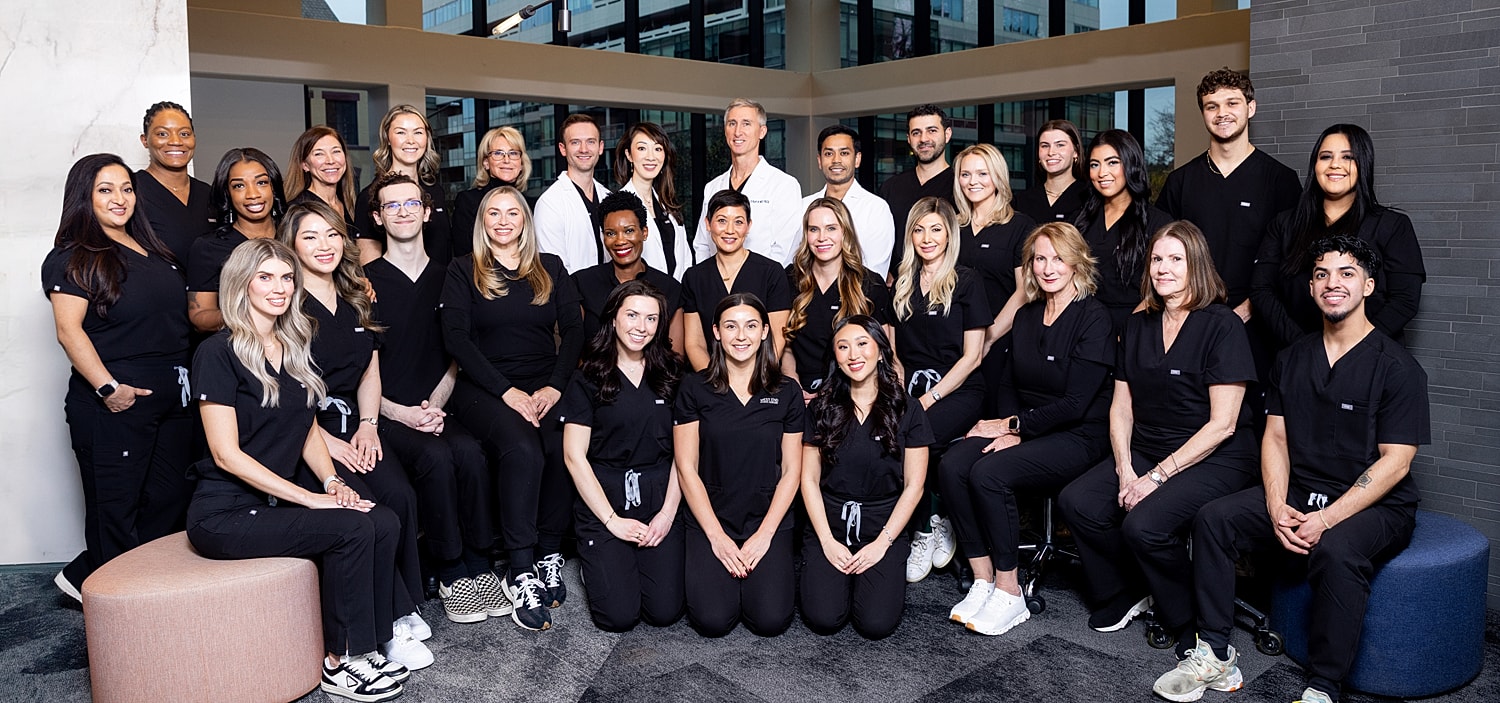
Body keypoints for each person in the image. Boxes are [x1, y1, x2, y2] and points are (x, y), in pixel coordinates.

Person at [1152, 235, 1430, 703]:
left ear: (1368, 285)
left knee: (1338, 550)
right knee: (1214, 519)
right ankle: (1215, 654)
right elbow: (1275, 438)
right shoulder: (1292, 358)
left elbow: (1397, 462)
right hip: (1300, 490)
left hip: (1378, 505)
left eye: (1346, 274)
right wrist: (1277, 503)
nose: (1332, 283)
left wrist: (1326, 519)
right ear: (1310, 287)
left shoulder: (1398, 367)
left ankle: (1323, 686)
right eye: (1321, 274)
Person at [184, 238, 408, 703]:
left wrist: (332, 481)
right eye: (265, 277)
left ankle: (371, 644)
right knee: (350, 529)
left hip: (271, 504)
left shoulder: (292, 346)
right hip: (223, 514)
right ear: (241, 283)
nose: (279, 287)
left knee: (383, 519)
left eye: (286, 277)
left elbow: (305, 428)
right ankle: (341, 662)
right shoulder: (217, 352)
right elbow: (225, 454)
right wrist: (309, 497)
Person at [1058, 221, 1257, 654]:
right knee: (1079, 502)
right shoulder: (1138, 324)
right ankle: (1128, 589)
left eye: (1176, 259)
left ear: (1196, 265)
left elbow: (1223, 424)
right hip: (1149, 446)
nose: (1163, 268)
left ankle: (1186, 616)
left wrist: (1155, 478)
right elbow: (1121, 406)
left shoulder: (1221, 325)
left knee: (1144, 525)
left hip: (1216, 454)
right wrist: (1126, 466)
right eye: (1157, 259)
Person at [278, 201, 433, 669]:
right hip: (308, 435)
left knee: (401, 495)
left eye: (330, 235)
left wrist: (368, 426)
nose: (323, 246)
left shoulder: (355, 293)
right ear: (290, 245)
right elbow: (287, 395)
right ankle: (389, 625)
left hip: (356, 424)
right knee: (372, 512)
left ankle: (405, 610)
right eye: (309, 237)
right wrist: (330, 442)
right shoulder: (285, 304)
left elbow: (370, 369)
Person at [939, 223, 1114, 636]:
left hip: (1078, 435)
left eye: (1057, 258)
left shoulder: (1094, 317)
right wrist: (1009, 426)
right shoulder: (1028, 314)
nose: (1048, 267)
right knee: (952, 463)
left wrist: (1015, 427)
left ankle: (1009, 590)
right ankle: (983, 579)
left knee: (989, 473)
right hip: (1026, 427)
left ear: (1076, 262)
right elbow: (1009, 384)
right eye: (1039, 258)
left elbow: (1076, 404)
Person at [42, 153, 193, 600]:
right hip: (115, 401)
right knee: (117, 508)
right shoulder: (74, 256)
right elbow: (69, 331)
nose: (119, 198)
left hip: (173, 397)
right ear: (84, 197)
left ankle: (87, 575)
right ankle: (123, 608)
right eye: (105, 189)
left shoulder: (152, 249)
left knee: (169, 499)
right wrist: (108, 388)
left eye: (126, 188)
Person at [441, 185, 584, 631]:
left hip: (545, 382)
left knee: (563, 443)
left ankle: (548, 552)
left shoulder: (551, 268)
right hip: (485, 386)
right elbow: (456, 340)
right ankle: (520, 568)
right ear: (483, 221)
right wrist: (507, 392)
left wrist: (555, 387)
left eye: (513, 213)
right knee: (523, 448)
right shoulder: (463, 270)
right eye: (494, 214)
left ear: (526, 220)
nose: (504, 221)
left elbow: (575, 331)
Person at [362, 172, 499, 626]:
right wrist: (401, 413)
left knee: (470, 452)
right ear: (379, 217)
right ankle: (451, 570)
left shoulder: (451, 276)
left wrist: (434, 407)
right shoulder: (366, 284)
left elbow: (458, 351)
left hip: (440, 404)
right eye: (392, 206)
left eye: (411, 204)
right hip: (386, 411)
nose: (403, 212)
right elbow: (365, 363)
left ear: (426, 211)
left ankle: (481, 562)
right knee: (436, 458)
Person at [674, 293, 805, 637]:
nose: (741, 336)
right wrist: (716, 537)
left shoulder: (787, 391)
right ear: (716, 332)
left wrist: (765, 536)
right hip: (711, 517)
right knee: (713, 621)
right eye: (731, 326)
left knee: (770, 621)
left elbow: (792, 471)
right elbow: (686, 468)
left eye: (750, 326)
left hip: (766, 518)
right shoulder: (693, 388)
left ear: (765, 331)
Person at [561, 280, 687, 631]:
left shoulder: (672, 375)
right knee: (618, 617)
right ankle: (597, 564)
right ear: (614, 318)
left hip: (661, 495)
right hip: (607, 498)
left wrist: (666, 515)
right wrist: (612, 520)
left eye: (650, 319)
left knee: (664, 613)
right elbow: (574, 456)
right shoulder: (588, 376)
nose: (641, 327)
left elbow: (684, 456)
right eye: (632, 315)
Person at [800, 315, 931, 639]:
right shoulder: (821, 408)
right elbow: (808, 481)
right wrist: (827, 542)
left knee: (875, 624)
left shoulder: (908, 409)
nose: (853, 355)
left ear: (881, 351)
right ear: (835, 357)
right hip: (829, 522)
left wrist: (881, 544)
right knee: (823, 618)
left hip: (883, 525)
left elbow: (915, 486)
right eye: (843, 347)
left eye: (862, 344)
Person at [889, 196, 990, 584]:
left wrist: (929, 399)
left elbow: (972, 357)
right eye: (919, 229)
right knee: (892, 436)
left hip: (958, 388)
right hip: (911, 387)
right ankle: (928, 522)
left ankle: (932, 524)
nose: (927, 238)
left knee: (921, 437)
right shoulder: (901, 281)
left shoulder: (967, 281)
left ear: (949, 234)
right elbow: (894, 351)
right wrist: (901, 391)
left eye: (936, 229)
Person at [1252, 123, 1425, 350]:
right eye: (1325, 157)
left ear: (1363, 164)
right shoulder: (1284, 224)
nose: (1335, 165)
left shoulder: (1393, 226)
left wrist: (1351, 348)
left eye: (1348, 157)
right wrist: (1303, 346)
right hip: (1295, 354)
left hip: (1370, 357)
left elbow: (1405, 301)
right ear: (1315, 165)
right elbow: (1261, 290)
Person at [1156, 68, 1300, 325]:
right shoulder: (1180, 182)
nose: (1222, 113)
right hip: (1191, 317)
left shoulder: (1281, 180)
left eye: (1232, 103)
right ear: (1203, 114)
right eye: (1212, 106)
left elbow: (1290, 259)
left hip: (1258, 322)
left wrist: (1249, 309)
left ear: (1251, 108)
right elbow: (1163, 254)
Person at [952, 143, 1037, 416]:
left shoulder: (1020, 226)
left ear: (998, 177)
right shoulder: (952, 226)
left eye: (982, 174)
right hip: (954, 339)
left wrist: (987, 338)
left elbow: (1024, 292)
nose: (972, 181)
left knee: (989, 413)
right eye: (965, 174)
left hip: (1000, 340)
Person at [783, 197, 893, 398]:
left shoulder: (870, 284)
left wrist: (834, 392)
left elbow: (882, 352)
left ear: (845, 232)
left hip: (851, 390)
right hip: (801, 391)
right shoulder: (790, 279)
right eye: (814, 229)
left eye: (831, 228)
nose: (822, 237)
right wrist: (794, 386)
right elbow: (785, 346)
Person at [681, 189, 792, 371]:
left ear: (748, 226)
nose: (730, 230)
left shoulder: (771, 272)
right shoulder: (694, 277)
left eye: (738, 222)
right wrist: (715, 383)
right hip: (711, 381)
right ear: (708, 224)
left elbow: (777, 339)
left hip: (760, 379)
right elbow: (695, 343)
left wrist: (750, 381)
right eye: (722, 221)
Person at [1075, 129, 1173, 331]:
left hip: (1138, 328)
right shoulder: (1078, 221)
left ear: (1131, 164)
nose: (1102, 173)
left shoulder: (1158, 223)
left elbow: (1163, 289)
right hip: (1084, 328)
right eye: (1095, 165)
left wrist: (1129, 331)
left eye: (1112, 162)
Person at [572, 190, 685, 355]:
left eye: (629, 231)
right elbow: (574, 351)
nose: (620, 241)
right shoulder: (582, 283)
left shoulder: (669, 288)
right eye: (611, 233)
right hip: (594, 378)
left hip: (653, 379)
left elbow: (676, 357)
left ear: (644, 232)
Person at [693, 98, 803, 266]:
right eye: (732, 124)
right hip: (716, 285)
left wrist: (754, 281)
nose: (738, 132)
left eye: (746, 124)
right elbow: (702, 245)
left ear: (762, 131)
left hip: (762, 286)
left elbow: (786, 249)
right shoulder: (713, 187)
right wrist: (709, 280)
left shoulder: (784, 185)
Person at [188, 147, 286, 333]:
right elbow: (199, 317)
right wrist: (248, 314)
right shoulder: (209, 247)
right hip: (241, 350)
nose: (253, 194)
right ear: (227, 193)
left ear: (273, 186)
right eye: (239, 186)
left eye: (262, 183)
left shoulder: (295, 236)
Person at [354, 104, 452, 266]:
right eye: (401, 132)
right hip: (397, 288)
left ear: (426, 139)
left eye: (418, 132)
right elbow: (369, 267)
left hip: (443, 287)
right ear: (387, 139)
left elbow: (444, 247)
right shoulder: (371, 195)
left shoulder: (436, 191)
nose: (411, 141)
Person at [800, 125, 895, 276]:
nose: (836, 160)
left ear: (857, 159)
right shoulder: (803, 206)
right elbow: (797, 260)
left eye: (844, 153)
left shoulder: (876, 209)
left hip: (858, 296)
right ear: (819, 160)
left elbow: (875, 274)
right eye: (828, 153)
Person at [879, 104, 957, 280]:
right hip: (899, 287)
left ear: (947, 134)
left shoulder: (960, 187)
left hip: (947, 284)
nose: (923, 139)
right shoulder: (891, 188)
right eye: (916, 133)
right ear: (908, 138)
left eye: (932, 131)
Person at [132, 101, 214, 263]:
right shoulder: (130, 191)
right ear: (145, 140)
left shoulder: (208, 194)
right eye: (163, 134)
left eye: (184, 134)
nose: (176, 141)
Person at [615, 121, 692, 280]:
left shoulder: (667, 203)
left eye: (658, 149)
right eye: (642, 148)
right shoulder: (618, 206)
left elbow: (685, 260)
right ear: (629, 155)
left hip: (675, 298)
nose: (651, 157)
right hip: (638, 298)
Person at [535, 113, 611, 274]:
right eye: (575, 142)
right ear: (563, 149)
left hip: (612, 295)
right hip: (572, 297)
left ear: (600, 147)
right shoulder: (550, 203)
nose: (584, 149)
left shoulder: (608, 197)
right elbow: (554, 271)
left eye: (590, 141)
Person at [451, 125, 532, 260]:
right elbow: (463, 254)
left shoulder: (532, 205)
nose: (507, 160)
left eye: (513, 153)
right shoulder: (468, 201)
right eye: (498, 153)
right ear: (486, 163)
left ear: (521, 163)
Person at [285, 125, 360, 239]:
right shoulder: (298, 208)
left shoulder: (348, 203)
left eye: (336, 151)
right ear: (305, 165)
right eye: (319, 154)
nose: (330, 160)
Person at [1013, 119, 1090, 226]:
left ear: (1076, 152)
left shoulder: (1089, 197)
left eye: (1060, 145)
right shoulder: (1021, 201)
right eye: (1045, 146)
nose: (1051, 152)